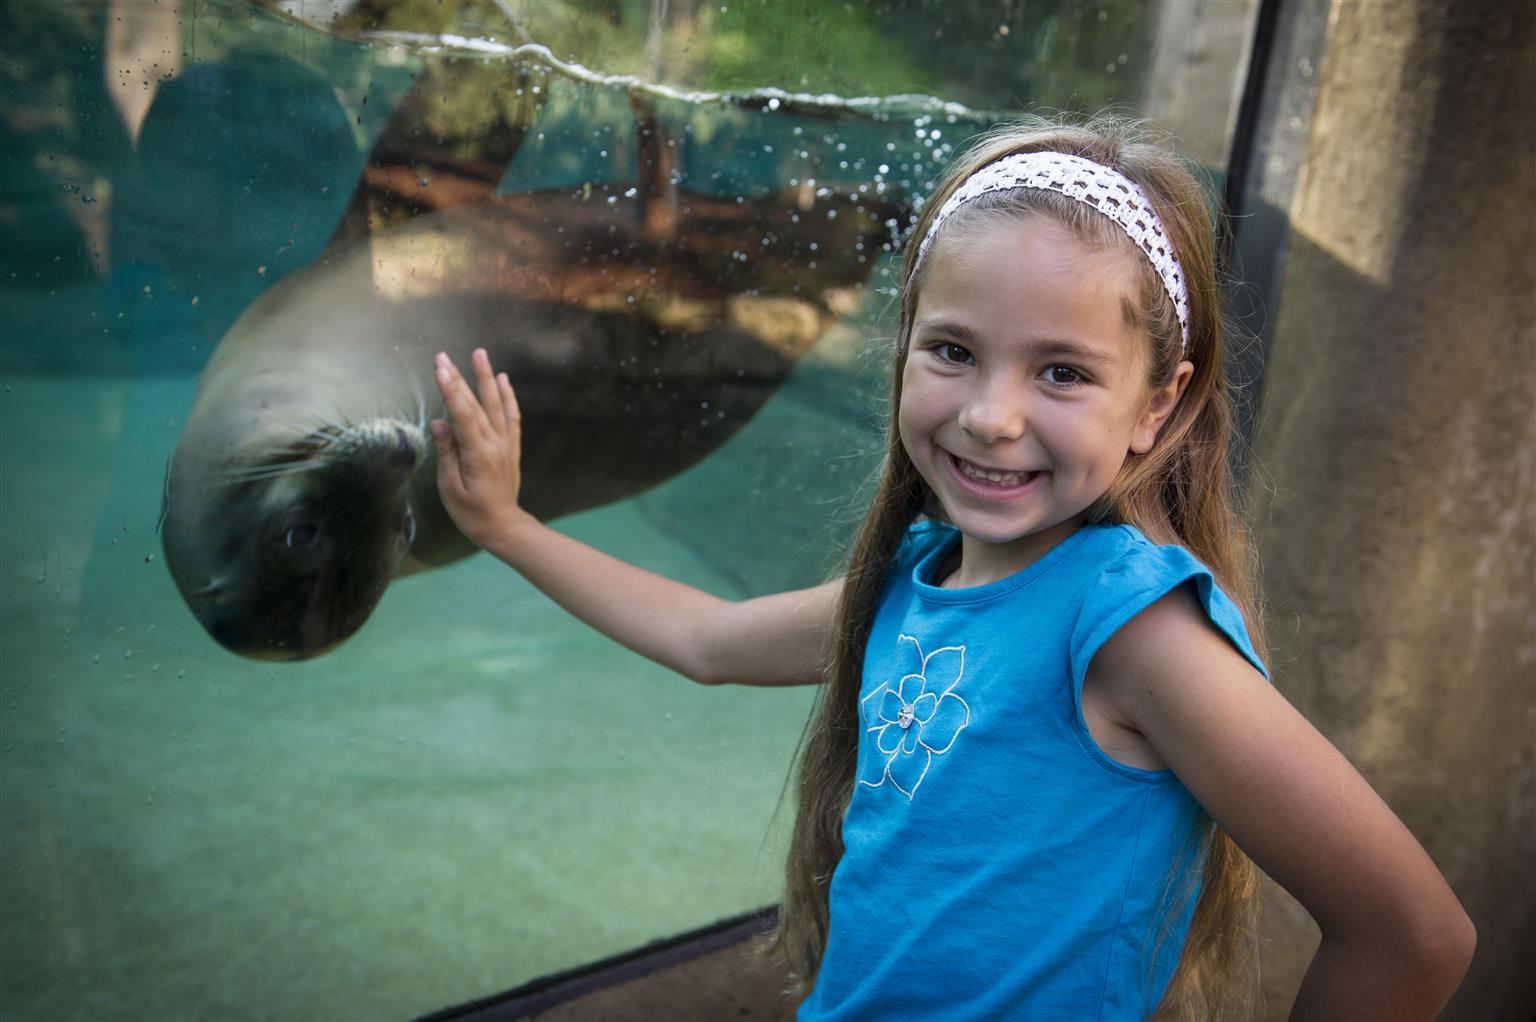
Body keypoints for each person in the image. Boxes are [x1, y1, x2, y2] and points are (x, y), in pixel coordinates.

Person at [428, 116, 1475, 1020]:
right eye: (954, 351)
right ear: (905, 347)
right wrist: (507, 525)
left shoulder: (1133, 627)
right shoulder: (919, 573)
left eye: (1061, 370)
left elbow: (1411, 932)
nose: (990, 414)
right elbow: (705, 638)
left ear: (1158, 405)